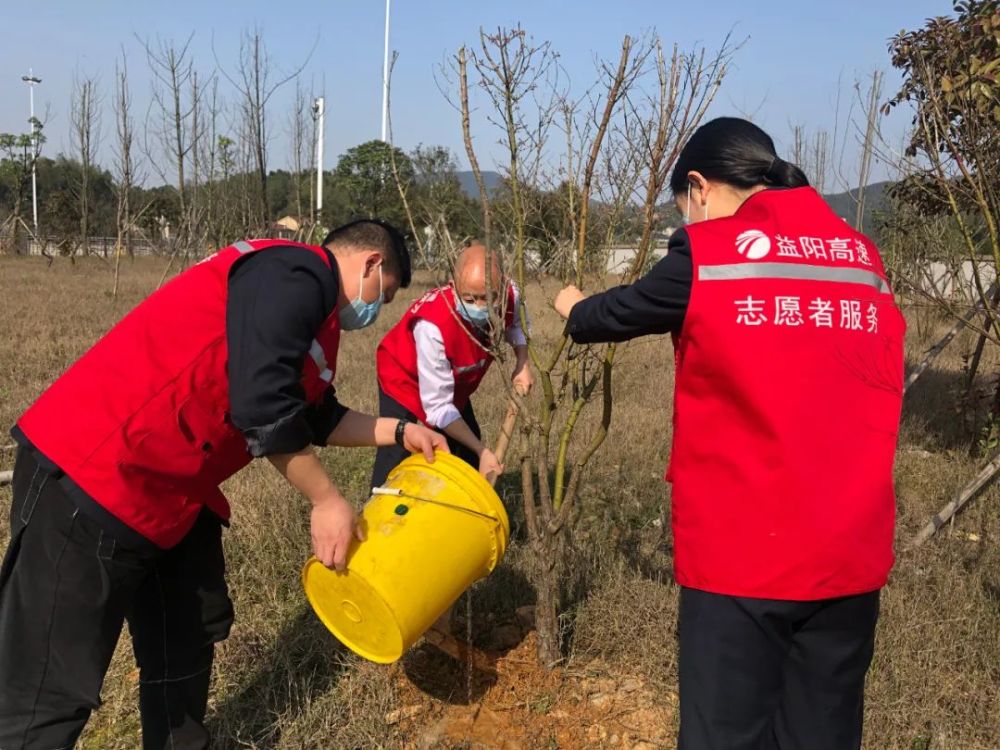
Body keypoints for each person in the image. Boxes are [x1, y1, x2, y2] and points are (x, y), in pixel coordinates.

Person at [0, 220, 449, 750]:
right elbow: (263, 405)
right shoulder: (296, 271)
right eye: (386, 295)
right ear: (372, 263)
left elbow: (316, 417)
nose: (374, 311)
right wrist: (326, 500)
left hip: (172, 491)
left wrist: (400, 430)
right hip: (96, 473)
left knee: (186, 637)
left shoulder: (313, 315)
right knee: (48, 688)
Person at [554, 117, 905, 750]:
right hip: (850, 553)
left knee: (725, 733)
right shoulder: (862, 257)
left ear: (699, 187)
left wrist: (571, 308)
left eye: (685, 207)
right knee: (822, 733)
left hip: (744, 555)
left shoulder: (710, 255)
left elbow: (615, 312)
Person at [371, 243, 533, 486]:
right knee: (399, 449)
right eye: (469, 298)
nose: (480, 307)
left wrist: (522, 362)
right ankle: (379, 513)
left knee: (465, 448)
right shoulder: (433, 325)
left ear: (503, 284)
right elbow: (437, 407)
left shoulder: (511, 294)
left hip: (451, 381)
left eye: (489, 298)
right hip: (403, 377)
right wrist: (482, 450)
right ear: (453, 286)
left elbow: (516, 325)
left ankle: (461, 508)